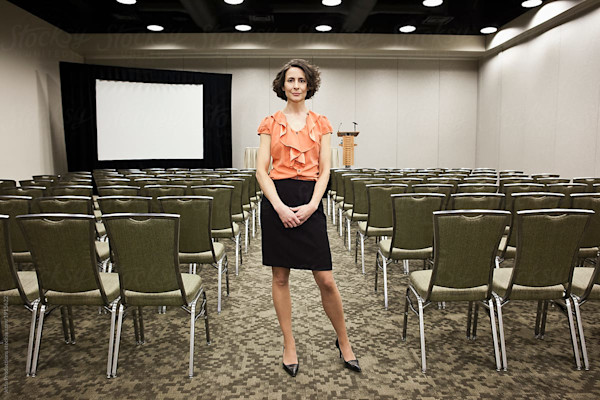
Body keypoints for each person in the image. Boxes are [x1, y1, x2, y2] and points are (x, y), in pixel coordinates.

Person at [256, 59, 361, 377]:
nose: (297, 85)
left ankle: (344, 341)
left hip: (311, 201)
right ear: (283, 85)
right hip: (278, 201)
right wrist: (279, 206)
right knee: (280, 278)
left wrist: (315, 204)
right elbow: (261, 171)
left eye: (302, 80)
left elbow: (326, 169)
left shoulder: (322, 122)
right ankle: (289, 344)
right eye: (291, 80)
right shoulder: (270, 122)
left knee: (326, 280)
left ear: (309, 85)